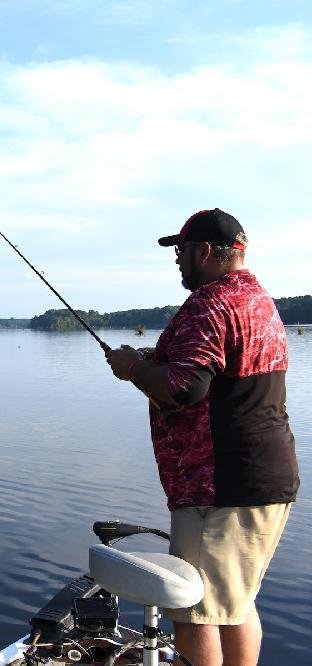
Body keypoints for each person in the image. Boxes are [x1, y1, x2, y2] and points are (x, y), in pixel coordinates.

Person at [104, 209, 299, 666]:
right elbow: (213, 368)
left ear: (206, 252)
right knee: (235, 602)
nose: (177, 260)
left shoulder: (209, 303)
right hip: (264, 476)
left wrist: (134, 369)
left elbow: (184, 388)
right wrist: (151, 358)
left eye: (181, 250)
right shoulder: (257, 300)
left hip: (220, 486)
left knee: (195, 611)